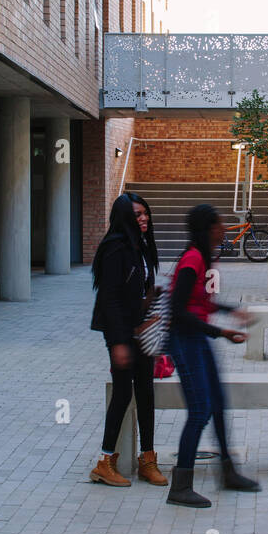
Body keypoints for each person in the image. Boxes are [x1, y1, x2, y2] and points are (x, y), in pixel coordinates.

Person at [166, 203, 260, 507]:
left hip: (198, 338)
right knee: (200, 411)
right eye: (219, 224)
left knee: (217, 403)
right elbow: (178, 312)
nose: (223, 229)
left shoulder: (206, 257)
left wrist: (230, 311)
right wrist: (221, 332)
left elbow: (199, 302)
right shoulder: (193, 259)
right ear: (208, 229)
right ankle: (180, 487)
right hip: (185, 341)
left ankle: (229, 473)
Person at [89, 192, 167, 488]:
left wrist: (152, 305)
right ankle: (104, 462)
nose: (144, 218)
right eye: (137, 214)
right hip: (120, 333)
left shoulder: (141, 246)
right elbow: (109, 300)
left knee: (146, 393)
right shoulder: (115, 249)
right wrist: (119, 342)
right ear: (124, 217)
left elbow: (136, 291)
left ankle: (148, 460)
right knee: (122, 393)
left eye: (145, 212)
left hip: (139, 331)